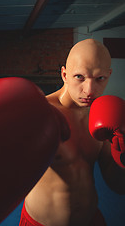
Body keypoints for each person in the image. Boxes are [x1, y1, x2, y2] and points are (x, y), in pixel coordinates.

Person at [20, 38, 125, 226]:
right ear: (64, 74)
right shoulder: (40, 112)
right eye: (80, 77)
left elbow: (118, 185)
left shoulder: (105, 116)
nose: (90, 90)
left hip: (91, 220)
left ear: (109, 74)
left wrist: (122, 154)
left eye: (100, 78)